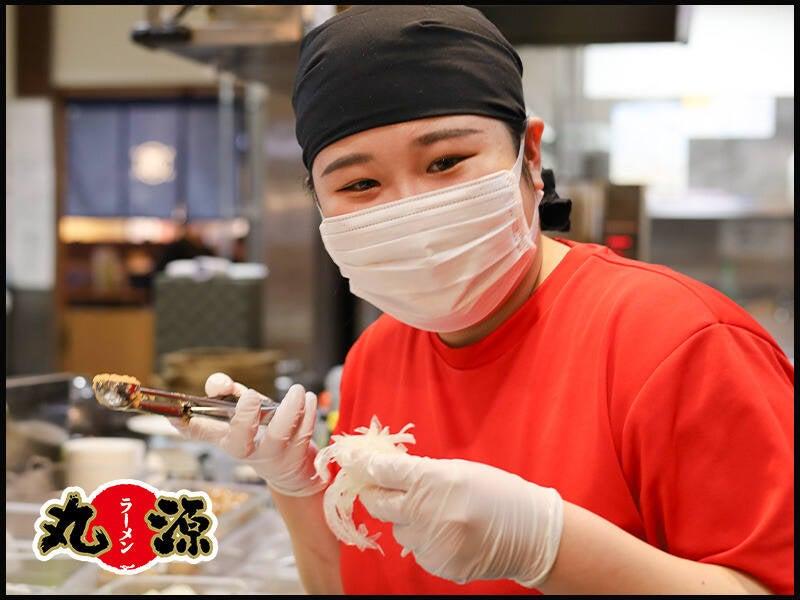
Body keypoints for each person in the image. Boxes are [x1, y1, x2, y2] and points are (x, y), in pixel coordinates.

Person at [170, 5, 793, 595]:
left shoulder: (680, 343)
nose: (410, 209)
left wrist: (549, 546)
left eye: (446, 161)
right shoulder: (376, 358)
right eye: (360, 183)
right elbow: (358, 584)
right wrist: (296, 486)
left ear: (530, 155)